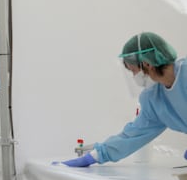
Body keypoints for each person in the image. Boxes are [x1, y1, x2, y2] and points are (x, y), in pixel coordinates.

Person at [60, 32, 183, 167]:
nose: (134, 77)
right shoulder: (153, 99)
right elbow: (133, 135)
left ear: (147, 64)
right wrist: (94, 156)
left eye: (133, 71)